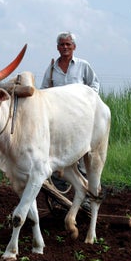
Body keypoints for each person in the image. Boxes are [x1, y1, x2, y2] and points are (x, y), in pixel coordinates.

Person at [41, 32, 99, 204]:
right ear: (57, 48)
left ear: (74, 47)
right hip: (58, 124)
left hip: (79, 122)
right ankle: (59, 200)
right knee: (56, 162)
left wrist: (88, 102)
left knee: (81, 161)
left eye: (68, 44)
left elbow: (94, 85)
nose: (65, 47)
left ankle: (87, 201)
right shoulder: (52, 69)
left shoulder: (83, 66)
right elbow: (43, 91)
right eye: (62, 45)